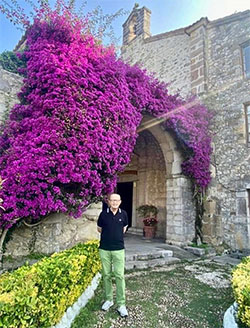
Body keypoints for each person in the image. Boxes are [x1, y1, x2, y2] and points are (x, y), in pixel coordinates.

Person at [97, 193, 128, 317]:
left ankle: (121, 304)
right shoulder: (103, 214)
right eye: (112, 200)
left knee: (119, 275)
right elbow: (99, 229)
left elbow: (124, 229)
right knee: (106, 275)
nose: (114, 202)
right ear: (108, 202)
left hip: (118, 249)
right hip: (104, 249)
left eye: (117, 200)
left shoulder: (124, 214)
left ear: (120, 202)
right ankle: (109, 300)